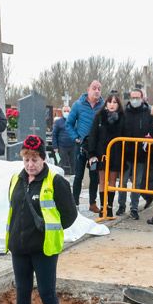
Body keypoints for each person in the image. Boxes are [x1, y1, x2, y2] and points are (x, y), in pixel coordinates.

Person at [2, 135, 78, 304]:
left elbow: (70, 214)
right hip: (19, 247)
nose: (30, 165)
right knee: (22, 289)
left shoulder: (55, 181)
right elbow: (14, 208)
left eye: (34, 159)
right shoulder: (16, 179)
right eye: (26, 160)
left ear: (43, 159)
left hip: (43, 248)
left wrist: (51, 228)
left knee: (46, 291)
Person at [65, 81, 104, 212]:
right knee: (79, 175)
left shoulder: (103, 106)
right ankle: (74, 202)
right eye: (94, 88)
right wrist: (75, 138)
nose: (97, 91)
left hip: (95, 148)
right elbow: (69, 124)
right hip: (81, 145)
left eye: (99, 88)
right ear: (88, 89)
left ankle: (92, 203)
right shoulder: (78, 105)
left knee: (94, 176)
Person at [86, 94, 126, 216]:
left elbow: (126, 135)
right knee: (102, 181)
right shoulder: (99, 116)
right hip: (101, 153)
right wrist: (92, 153)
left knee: (112, 181)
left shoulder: (122, 118)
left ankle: (109, 207)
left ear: (118, 104)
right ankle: (103, 207)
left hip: (116, 153)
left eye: (114, 102)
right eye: (109, 102)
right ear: (106, 104)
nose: (112, 104)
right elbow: (93, 135)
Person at [120, 88, 153, 219]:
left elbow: (152, 128)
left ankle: (134, 207)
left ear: (142, 98)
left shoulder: (149, 112)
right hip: (126, 153)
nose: (135, 100)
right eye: (132, 97)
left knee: (137, 182)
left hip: (141, 154)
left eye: (137, 97)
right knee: (123, 182)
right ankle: (121, 205)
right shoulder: (124, 112)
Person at [51, 105, 74, 174]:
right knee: (61, 163)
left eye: (68, 111)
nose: (66, 112)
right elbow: (54, 134)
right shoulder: (58, 122)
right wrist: (55, 147)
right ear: (62, 112)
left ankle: (73, 177)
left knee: (74, 163)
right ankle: (60, 177)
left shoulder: (74, 121)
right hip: (62, 146)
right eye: (65, 111)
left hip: (73, 146)